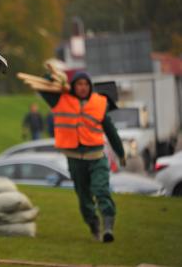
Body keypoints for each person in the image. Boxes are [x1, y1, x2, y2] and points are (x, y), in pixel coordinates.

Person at [38, 71, 125, 243]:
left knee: (101, 190)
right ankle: (94, 225)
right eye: (79, 84)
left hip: (96, 157)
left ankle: (108, 228)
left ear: (90, 86)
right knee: (84, 197)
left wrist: (121, 153)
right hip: (75, 158)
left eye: (86, 84)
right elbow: (44, 89)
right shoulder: (60, 100)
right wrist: (53, 78)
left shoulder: (100, 103)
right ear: (73, 86)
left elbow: (111, 131)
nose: (83, 87)